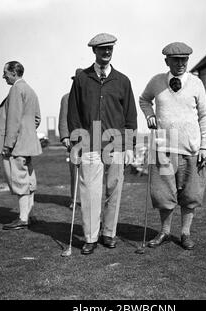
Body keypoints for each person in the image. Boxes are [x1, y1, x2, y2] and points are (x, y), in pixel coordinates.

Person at [68, 33, 137, 255]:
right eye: (102, 49)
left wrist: (129, 146)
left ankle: (109, 233)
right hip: (88, 143)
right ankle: (90, 237)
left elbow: (130, 117)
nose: (106, 52)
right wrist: (76, 145)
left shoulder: (123, 81)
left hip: (115, 143)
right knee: (89, 192)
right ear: (94, 51)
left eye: (109, 48)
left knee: (113, 189)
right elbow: (74, 115)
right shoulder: (81, 80)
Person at [139, 42, 206, 250]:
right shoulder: (156, 82)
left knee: (191, 194)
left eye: (184, 59)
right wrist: (150, 115)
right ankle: (164, 231)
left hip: (191, 149)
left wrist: (204, 146)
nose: (180, 64)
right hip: (163, 148)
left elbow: (205, 116)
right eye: (176, 60)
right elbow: (144, 100)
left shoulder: (196, 83)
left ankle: (185, 233)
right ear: (166, 61)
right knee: (163, 194)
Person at [0, 61, 42, 230]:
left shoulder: (16, 89)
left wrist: (8, 144)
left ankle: (22, 218)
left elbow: (12, 121)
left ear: (13, 72)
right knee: (29, 179)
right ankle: (29, 214)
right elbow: (37, 119)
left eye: (5, 72)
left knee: (19, 179)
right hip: (28, 144)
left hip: (17, 146)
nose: (3, 76)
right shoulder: (30, 89)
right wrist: (27, 133)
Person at [58, 68, 83, 209]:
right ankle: (74, 199)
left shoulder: (90, 98)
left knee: (90, 171)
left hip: (90, 141)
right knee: (74, 171)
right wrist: (65, 137)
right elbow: (63, 119)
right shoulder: (67, 98)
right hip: (74, 142)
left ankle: (86, 199)